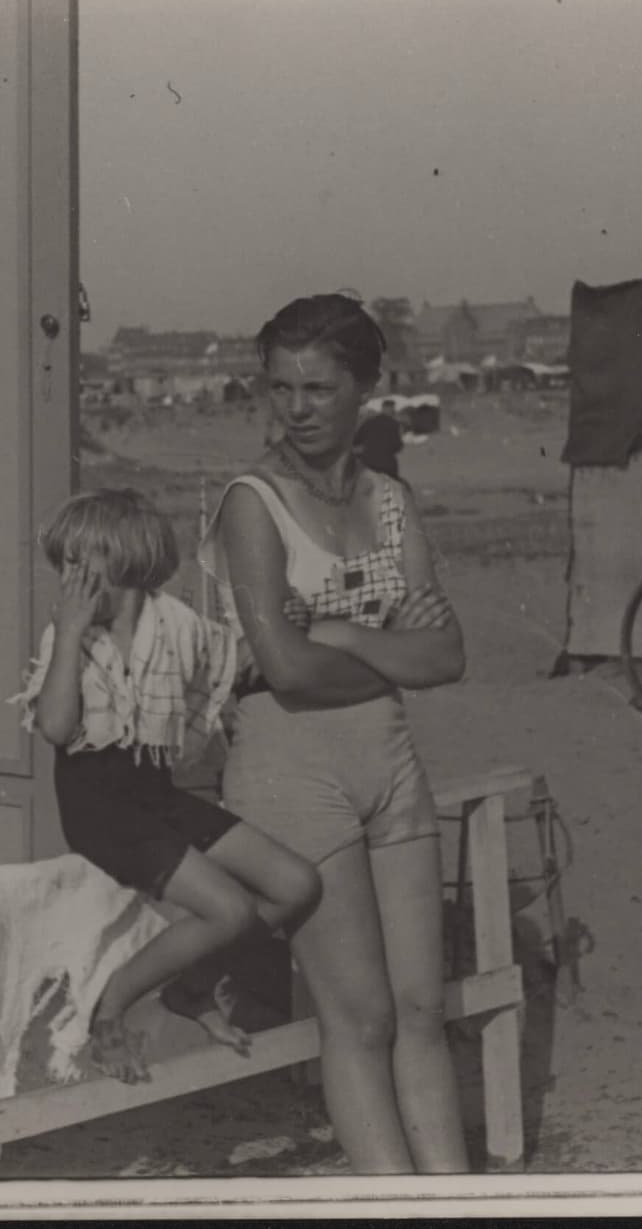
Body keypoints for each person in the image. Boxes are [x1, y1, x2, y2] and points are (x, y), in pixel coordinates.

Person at [197, 294, 470, 1174]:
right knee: (361, 1018)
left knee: (424, 1009)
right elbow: (287, 671)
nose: (296, 408)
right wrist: (391, 646)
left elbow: (449, 654)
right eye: (280, 388)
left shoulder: (390, 502)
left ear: (367, 389)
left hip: (388, 760)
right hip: (290, 771)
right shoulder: (252, 505)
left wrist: (345, 636)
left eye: (318, 388)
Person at [12, 489, 322, 1083]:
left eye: (81, 566)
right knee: (228, 910)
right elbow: (54, 726)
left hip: (154, 796)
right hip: (99, 808)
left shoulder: (174, 625)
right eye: (64, 568)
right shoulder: (71, 636)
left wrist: (284, 623)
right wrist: (70, 634)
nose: (69, 580)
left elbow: (231, 662)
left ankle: (193, 990)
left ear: (126, 560)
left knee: (295, 883)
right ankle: (110, 1008)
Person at [353, 408, 405, 480]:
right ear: (393, 412)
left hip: (368, 463)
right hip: (387, 465)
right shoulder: (395, 424)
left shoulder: (367, 423)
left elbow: (355, 442)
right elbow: (397, 446)